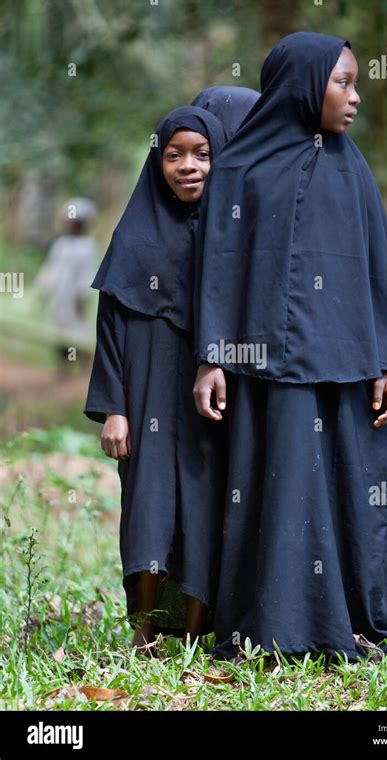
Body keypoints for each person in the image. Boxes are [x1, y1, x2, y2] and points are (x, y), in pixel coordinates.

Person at [193, 33, 387, 664]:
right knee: (283, 485)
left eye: (356, 83)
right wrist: (212, 357)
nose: (355, 98)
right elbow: (220, 267)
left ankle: (357, 619)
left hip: (348, 363)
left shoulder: (355, 169)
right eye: (342, 82)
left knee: (352, 485)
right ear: (302, 83)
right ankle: (279, 624)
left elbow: (379, 268)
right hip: (268, 366)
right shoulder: (239, 170)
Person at [83, 88, 259, 657]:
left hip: (210, 400)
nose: (189, 166)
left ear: (221, 158)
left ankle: (191, 632)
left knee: (205, 509)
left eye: (203, 154)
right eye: (174, 154)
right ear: (157, 161)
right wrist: (113, 408)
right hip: (144, 390)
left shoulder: (232, 236)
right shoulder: (133, 234)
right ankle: (143, 629)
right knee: (148, 506)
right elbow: (109, 327)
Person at [33, 198, 98, 369]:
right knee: (60, 333)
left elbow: (86, 275)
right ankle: (64, 367)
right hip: (60, 299)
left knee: (78, 333)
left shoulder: (88, 247)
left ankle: (85, 367)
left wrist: (82, 297)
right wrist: (43, 292)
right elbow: (50, 270)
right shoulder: (60, 244)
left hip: (75, 300)